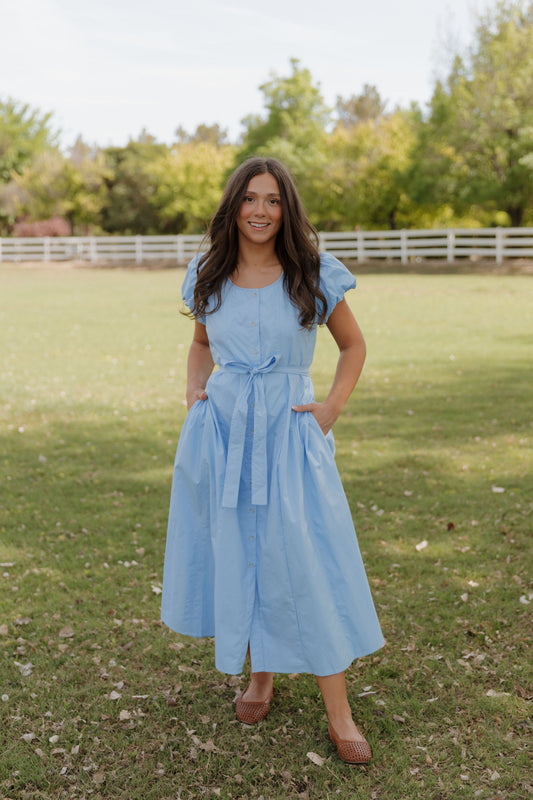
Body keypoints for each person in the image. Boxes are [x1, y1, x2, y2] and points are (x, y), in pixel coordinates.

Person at [161, 157, 384, 764]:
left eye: (274, 200)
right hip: (226, 432)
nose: (261, 211)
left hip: (290, 432)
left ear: (287, 209)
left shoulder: (311, 272)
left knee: (305, 557)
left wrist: (331, 407)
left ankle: (339, 711)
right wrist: (195, 393)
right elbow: (201, 345)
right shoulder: (207, 274)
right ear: (234, 205)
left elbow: (353, 345)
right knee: (243, 549)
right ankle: (262, 675)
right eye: (250, 199)